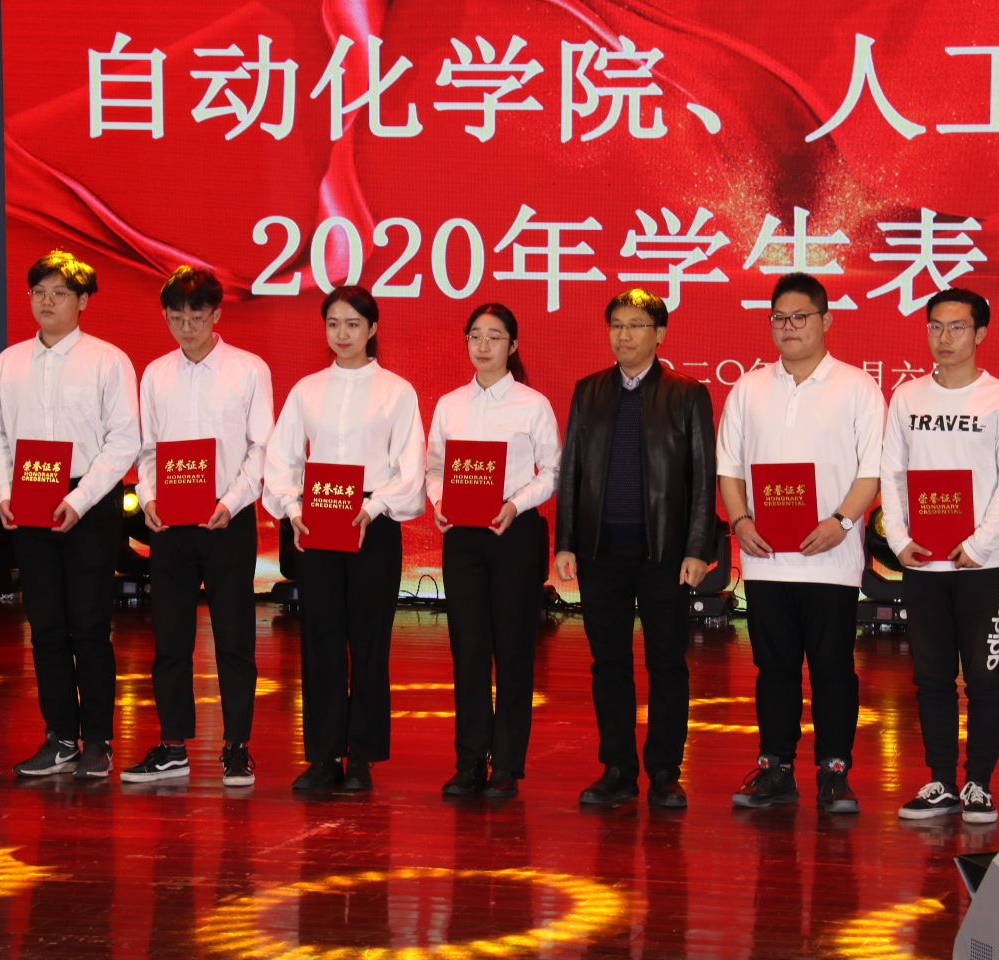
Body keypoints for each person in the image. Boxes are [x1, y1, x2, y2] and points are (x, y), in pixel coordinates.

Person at [718, 273, 883, 813]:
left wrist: (841, 521)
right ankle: (776, 769)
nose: (788, 327)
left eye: (800, 317)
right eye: (779, 318)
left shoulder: (857, 387)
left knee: (833, 669)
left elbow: (872, 470)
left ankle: (835, 772)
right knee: (774, 670)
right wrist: (741, 521)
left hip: (831, 559)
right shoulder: (749, 388)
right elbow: (729, 468)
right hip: (766, 559)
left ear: (825, 320)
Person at [554, 288, 715, 809]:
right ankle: (618, 767)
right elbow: (572, 471)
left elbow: (703, 478)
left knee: (667, 662)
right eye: (616, 325)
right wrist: (565, 543)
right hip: (600, 551)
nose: (623, 335)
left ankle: (665, 770)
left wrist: (697, 547)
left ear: (660, 334)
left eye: (636, 325)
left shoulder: (687, 393)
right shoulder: (589, 391)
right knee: (609, 662)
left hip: (663, 552)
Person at [263, 286, 425, 792]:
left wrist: (373, 508)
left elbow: (410, 467)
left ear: (372, 329)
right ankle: (324, 754)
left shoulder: (397, 391)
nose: (343, 334)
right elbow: (282, 459)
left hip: (373, 520)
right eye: (333, 324)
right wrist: (293, 509)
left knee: (370, 641)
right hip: (318, 519)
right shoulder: (307, 390)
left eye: (353, 324)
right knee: (321, 639)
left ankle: (362, 757)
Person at [0, 250, 140, 779]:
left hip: (88, 502)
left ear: (83, 301)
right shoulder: (7, 364)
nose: (47, 302)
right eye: (39, 293)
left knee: (89, 626)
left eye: (59, 293)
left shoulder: (107, 360)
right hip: (28, 497)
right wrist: (4, 491)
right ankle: (60, 737)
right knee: (45, 626)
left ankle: (97, 739)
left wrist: (79, 499)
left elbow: (124, 440)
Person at [879, 287, 999, 824]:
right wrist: (899, 541)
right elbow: (892, 473)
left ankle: (978, 784)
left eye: (957, 327)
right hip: (924, 565)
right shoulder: (907, 398)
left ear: (980, 333)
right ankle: (941, 780)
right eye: (935, 326)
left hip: (981, 567)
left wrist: (980, 543)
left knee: (985, 678)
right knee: (932, 677)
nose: (944, 338)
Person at [122, 267, 273, 787]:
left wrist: (231, 501)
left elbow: (261, 447)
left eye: (197, 316)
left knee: (234, 637)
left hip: (227, 519)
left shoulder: (248, 369)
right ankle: (172, 746)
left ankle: (237, 747)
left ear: (216, 315)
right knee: (170, 638)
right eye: (176, 317)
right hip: (170, 523)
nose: (186, 327)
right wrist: (148, 497)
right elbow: (146, 449)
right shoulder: (155, 374)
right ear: (165, 316)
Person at [427, 304, 560, 798]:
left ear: (513, 345)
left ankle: (506, 764)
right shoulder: (449, 405)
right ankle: (469, 761)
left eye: (495, 337)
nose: (483, 346)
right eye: (476, 336)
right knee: (468, 649)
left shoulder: (532, 404)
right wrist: (439, 502)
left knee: (513, 649)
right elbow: (435, 468)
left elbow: (553, 470)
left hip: (514, 534)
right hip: (462, 537)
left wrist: (515, 504)